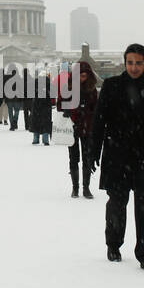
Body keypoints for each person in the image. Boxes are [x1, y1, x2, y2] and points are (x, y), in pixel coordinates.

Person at [89, 43, 144, 272]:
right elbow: (99, 121)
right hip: (116, 152)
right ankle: (113, 244)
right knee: (117, 203)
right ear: (124, 63)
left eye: (139, 63)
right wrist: (93, 151)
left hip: (143, 154)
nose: (134, 67)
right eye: (130, 63)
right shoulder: (111, 86)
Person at [61, 59, 99, 198]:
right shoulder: (69, 88)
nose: (82, 78)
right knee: (73, 158)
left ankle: (86, 188)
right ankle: (75, 188)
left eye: (85, 76)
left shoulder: (92, 90)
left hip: (87, 128)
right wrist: (66, 110)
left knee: (87, 159)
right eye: (80, 75)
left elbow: (96, 108)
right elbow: (61, 104)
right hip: (72, 128)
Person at [29, 69, 54, 145]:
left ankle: (35, 139)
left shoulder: (35, 82)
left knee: (36, 121)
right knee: (46, 122)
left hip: (36, 104)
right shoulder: (49, 83)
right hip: (46, 105)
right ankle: (45, 140)